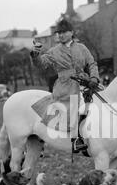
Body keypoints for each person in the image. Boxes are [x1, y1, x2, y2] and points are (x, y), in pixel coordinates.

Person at [30, 19, 100, 152]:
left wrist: (94, 77)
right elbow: (42, 64)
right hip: (65, 87)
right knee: (74, 106)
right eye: (58, 33)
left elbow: (92, 63)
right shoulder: (54, 51)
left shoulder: (82, 48)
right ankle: (76, 140)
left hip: (84, 82)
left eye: (63, 32)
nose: (60, 35)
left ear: (71, 32)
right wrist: (35, 55)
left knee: (100, 102)